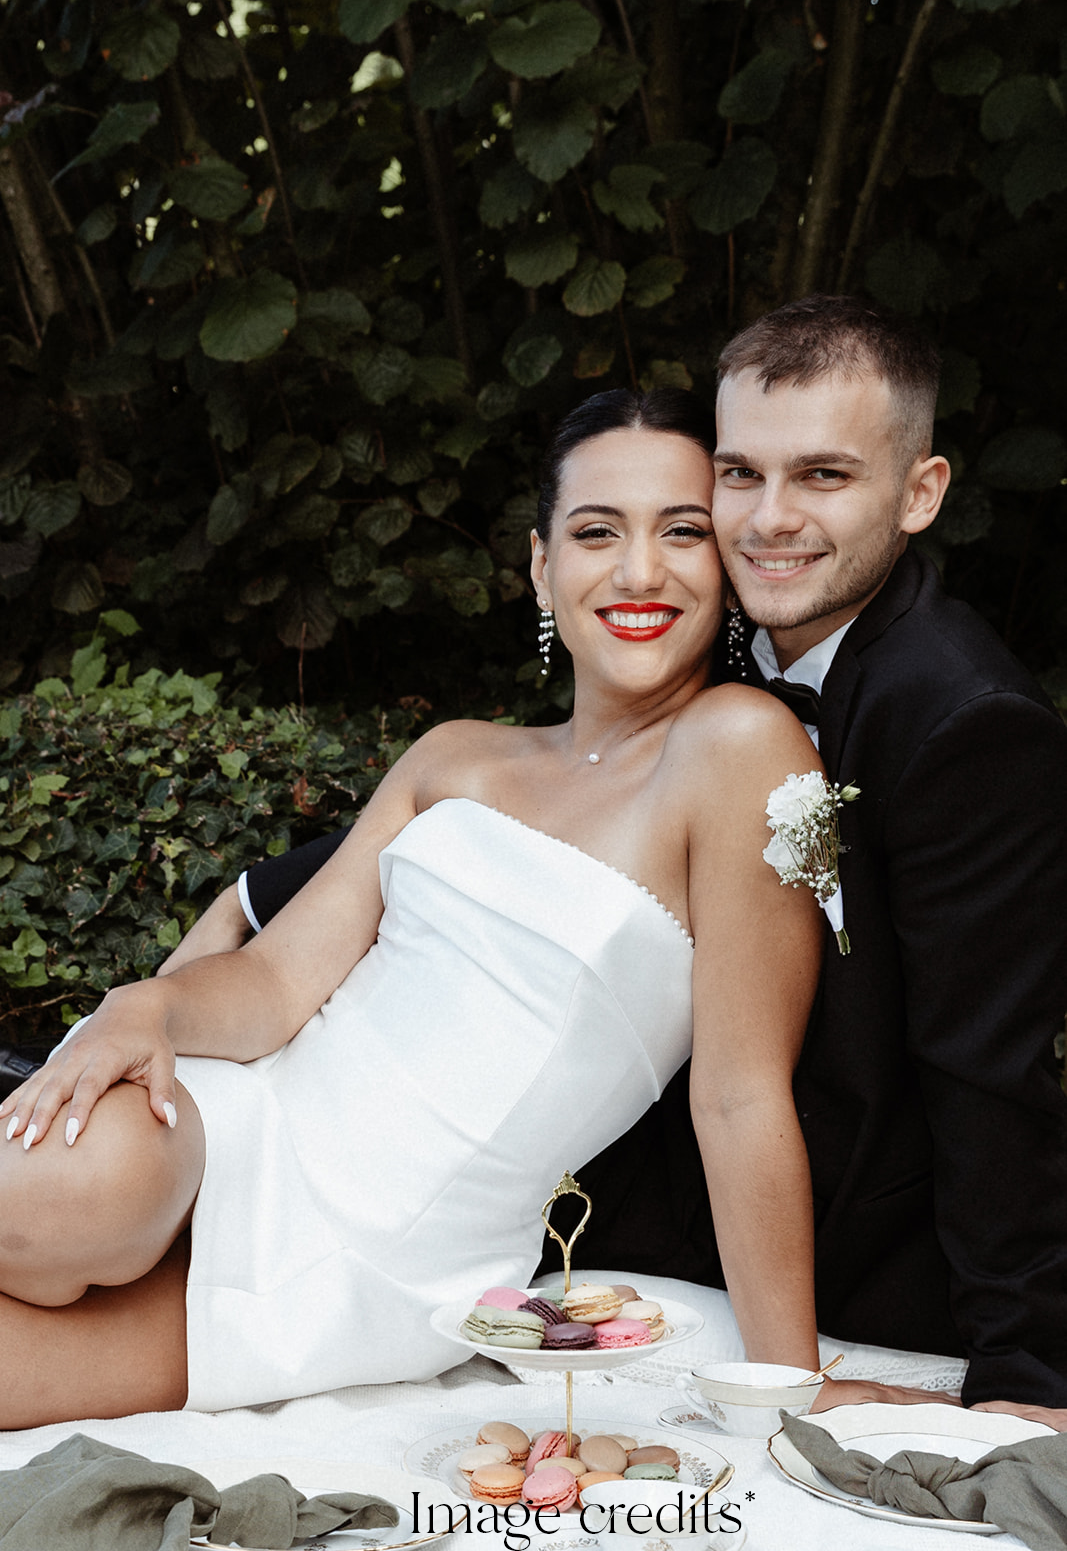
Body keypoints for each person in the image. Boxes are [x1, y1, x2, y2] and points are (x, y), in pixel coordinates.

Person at [226, 299, 1067, 1424]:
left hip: (846, 1237)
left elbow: (988, 1073)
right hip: (631, 1174)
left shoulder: (963, 719)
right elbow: (547, 803)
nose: (768, 520)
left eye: (821, 477)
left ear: (917, 493)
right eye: (738, 475)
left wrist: (1026, 1373)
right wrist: (246, 907)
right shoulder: (726, 640)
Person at [0, 389, 825, 1429]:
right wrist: (143, 1009)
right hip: (249, 1110)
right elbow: (278, 978)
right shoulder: (456, 755)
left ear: (729, 565)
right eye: (595, 533)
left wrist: (789, 1385)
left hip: (387, 1248)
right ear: (539, 565)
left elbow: (740, 1098)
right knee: (92, 1182)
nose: (637, 573)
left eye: (682, 533)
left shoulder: (738, 747)